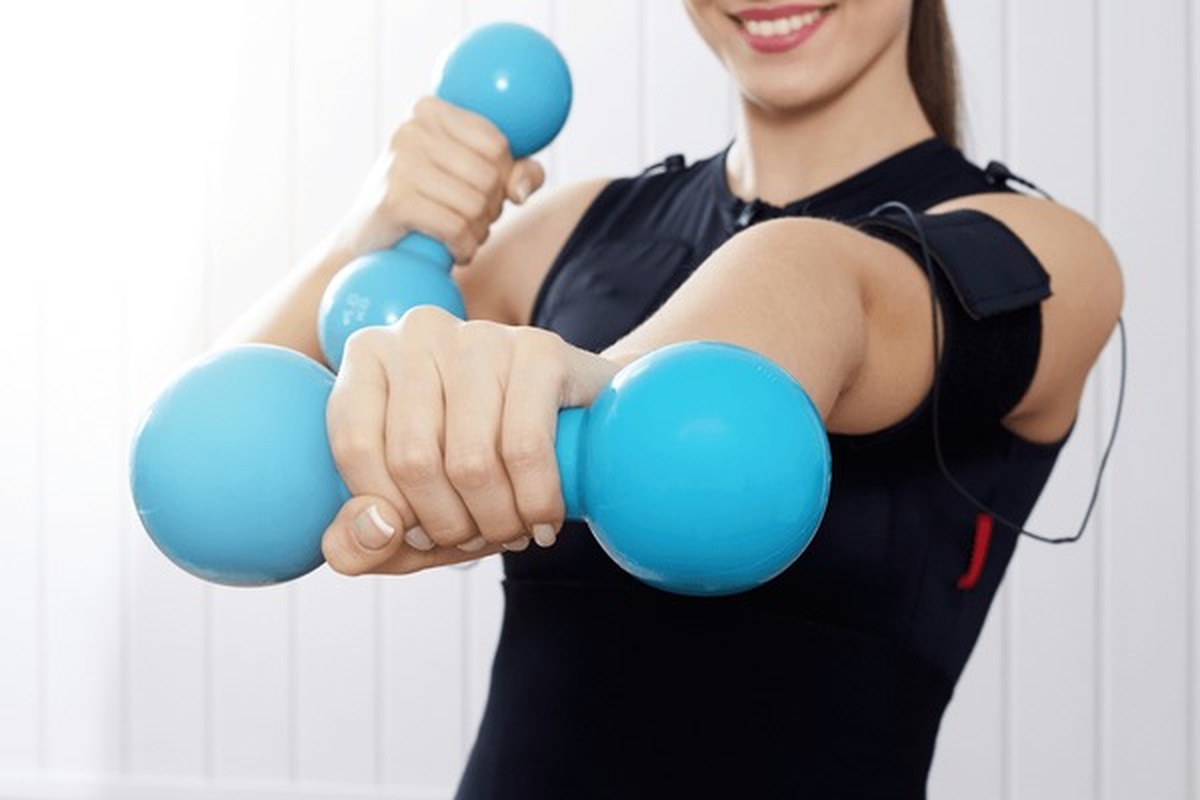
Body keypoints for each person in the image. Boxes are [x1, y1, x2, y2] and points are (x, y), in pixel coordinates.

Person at [222, 1, 1123, 796]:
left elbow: (825, 282)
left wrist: (583, 388)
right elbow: (213, 444)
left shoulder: (1051, 258)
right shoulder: (572, 234)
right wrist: (363, 237)